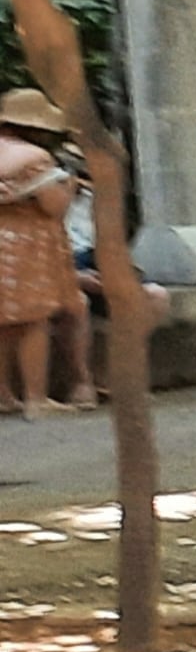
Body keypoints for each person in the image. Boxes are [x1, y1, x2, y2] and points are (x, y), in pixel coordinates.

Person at [0, 91, 86, 418]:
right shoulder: (34, 158)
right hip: (24, 245)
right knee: (33, 319)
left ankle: (4, 394)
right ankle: (36, 398)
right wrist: (70, 187)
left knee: (3, 323)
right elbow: (53, 206)